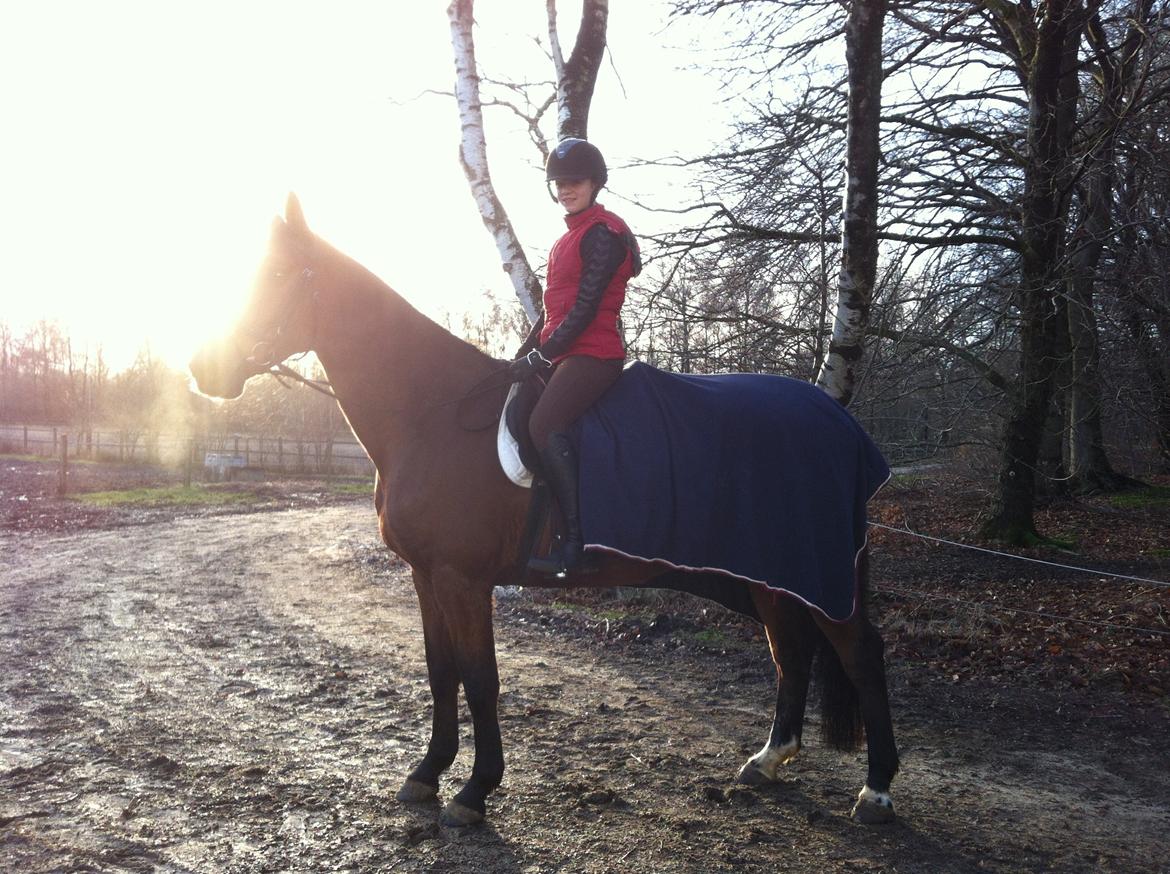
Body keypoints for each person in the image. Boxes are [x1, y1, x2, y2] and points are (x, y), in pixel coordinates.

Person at [509, 138, 642, 575]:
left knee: (543, 424)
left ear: (595, 184)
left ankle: (578, 544)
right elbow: (552, 312)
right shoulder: (567, 239)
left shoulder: (603, 234)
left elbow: (584, 311)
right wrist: (521, 357)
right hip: (566, 351)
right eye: (560, 183)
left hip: (593, 354)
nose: (566, 189)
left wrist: (542, 357)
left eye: (575, 182)